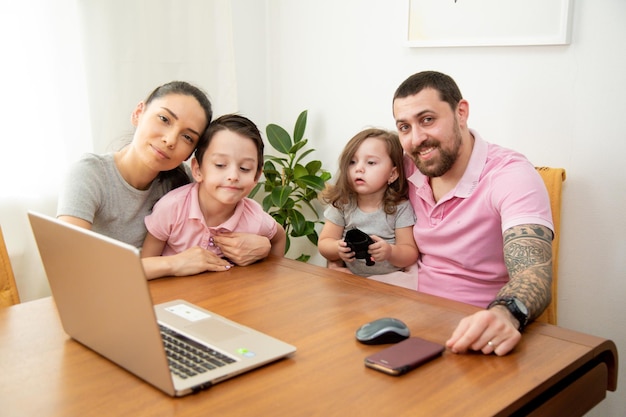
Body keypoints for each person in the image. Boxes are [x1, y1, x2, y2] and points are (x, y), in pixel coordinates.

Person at [392, 70, 553, 356]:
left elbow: (534, 271)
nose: (416, 139)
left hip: (479, 331)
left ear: (461, 112)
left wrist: (505, 314)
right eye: (404, 127)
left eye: (427, 120)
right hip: (410, 318)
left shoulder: (511, 175)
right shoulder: (405, 168)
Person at [57, 82, 272, 277]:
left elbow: (257, 224)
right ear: (138, 113)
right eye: (164, 119)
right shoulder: (89, 175)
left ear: (192, 155)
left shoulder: (180, 182)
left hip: (160, 299)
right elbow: (70, 262)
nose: (170, 140)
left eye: (187, 137)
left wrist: (263, 246)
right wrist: (173, 264)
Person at [141, 114, 286, 277]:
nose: (233, 176)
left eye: (244, 168)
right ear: (197, 170)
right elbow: (143, 266)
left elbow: (279, 236)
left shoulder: (254, 216)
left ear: (256, 176)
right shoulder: (172, 207)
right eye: (220, 165)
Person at [318, 128, 419, 289]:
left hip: (391, 284)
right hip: (352, 283)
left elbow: (410, 253)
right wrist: (337, 248)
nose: (359, 168)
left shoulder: (400, 207)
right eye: (352, 162)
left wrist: (390, 252)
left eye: (370, 162)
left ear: (392, 174)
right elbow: (324, 243)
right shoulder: (342, 204)